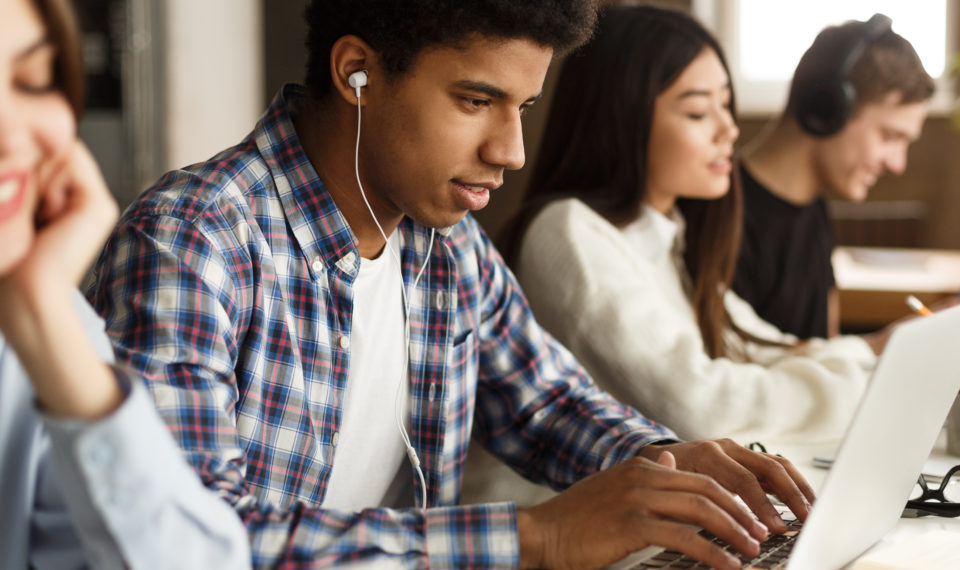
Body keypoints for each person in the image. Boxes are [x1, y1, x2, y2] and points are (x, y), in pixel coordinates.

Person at [84, 1, 816, 568]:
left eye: (522, 109)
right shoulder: (193, 243)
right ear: (355, 73)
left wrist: (672, 469)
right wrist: (534, 538)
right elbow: (187, 542)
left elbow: (548, 406)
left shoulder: (444, 241)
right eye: (475, 101)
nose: (512, 151)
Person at [502, 5, 876, 445]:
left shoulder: (666, 237)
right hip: (547, 509)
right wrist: (867, 382)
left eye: (726, 104)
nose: (729, 129)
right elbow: (702, 408)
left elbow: (763, 347)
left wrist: (872, 352)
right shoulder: (569, 232)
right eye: (699, 113)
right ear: (624, 120)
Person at [0, 0, 249, 567]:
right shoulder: (189, 231)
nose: (14, 135)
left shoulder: (38, 321)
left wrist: (43, 321)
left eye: (31, 80)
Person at [732, 15, 934, 339]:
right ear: (827, 109)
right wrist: (880, 346)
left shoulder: (814, 207)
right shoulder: (721, 216)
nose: (897, 164)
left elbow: (826, 353)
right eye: (890, 136)